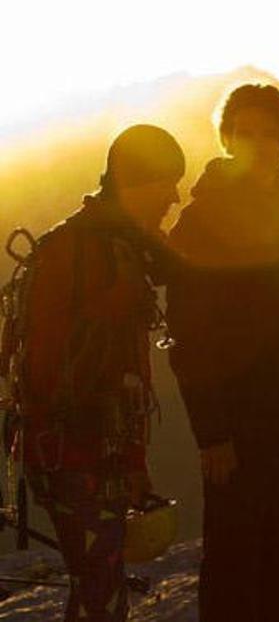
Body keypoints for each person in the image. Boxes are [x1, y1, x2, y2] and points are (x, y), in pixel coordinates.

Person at [165, 84, 279, 622]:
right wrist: (212, 431)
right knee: (234, 557)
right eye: (244, 132)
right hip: (236, 423)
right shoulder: (202, 221)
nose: (257, 144)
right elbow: (189, 334)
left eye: (269, 133)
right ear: (227, 138)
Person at [11, 124, 184, 622]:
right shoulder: (80, 251)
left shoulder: (109, 244)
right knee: (100, 588)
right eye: (167, 184)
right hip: (74, 448)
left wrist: (130, 462)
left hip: (87, 449)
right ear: (135, 182)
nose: (174, 198)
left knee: (98, 584)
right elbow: (49, 362)